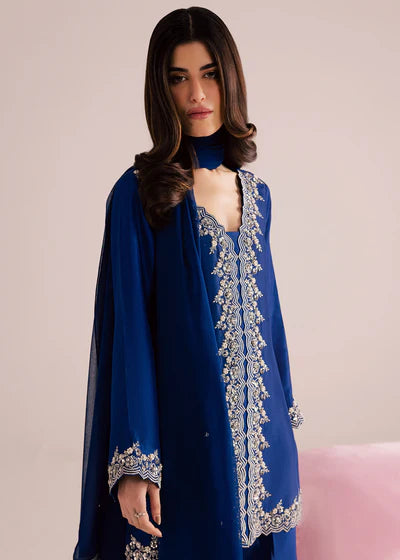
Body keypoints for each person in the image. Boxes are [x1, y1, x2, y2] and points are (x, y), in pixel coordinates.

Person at [73, 7, 304, 560]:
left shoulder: (258, 194)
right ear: (162, 89)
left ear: (231, 79)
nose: (197, 94)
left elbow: (270, 321)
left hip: (267, 451)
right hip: (186, 447)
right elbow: (129, 334)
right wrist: (136, 462)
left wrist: (287, 425)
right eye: (179, 78)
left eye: (210, 74)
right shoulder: (140, 194)